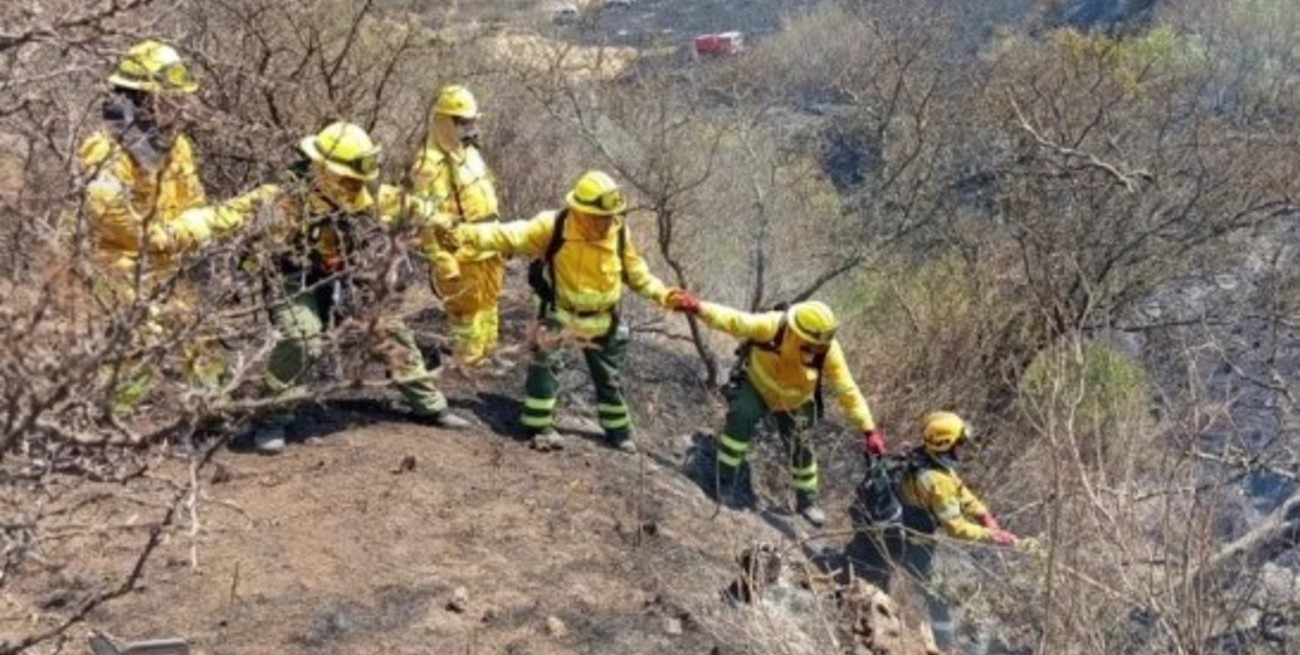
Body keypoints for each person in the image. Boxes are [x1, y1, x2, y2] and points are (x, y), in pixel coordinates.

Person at [246, 121, 471, 453]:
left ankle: (430, 406)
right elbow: (219, 218)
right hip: (294, 280)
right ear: (320, 168)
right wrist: (171, 232)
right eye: (346, 177)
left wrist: (451, 225)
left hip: (345, 277)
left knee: (387, 327)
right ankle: (271, 418)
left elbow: (415, 207)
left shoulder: (373, 198)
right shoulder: (282, 200)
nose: (353, 185)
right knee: (302, 336)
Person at [78, 40, 277, 407]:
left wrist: (244, 209)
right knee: (141, 340)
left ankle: (216, 408)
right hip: (119, 266)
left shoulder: (177, 145)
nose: (181, 105)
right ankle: (107, 424)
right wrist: (169, 235)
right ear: (141, 99)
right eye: (170, 97)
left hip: (166, 263)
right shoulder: (105, 148)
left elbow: (192, 205)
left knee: (196, 334)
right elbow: (108, 215)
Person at [437, 170, 684, 453]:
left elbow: (638, 275)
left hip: (602, 319)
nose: (607, 222)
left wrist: (664, 294)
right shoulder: (554, 226)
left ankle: (619, 431)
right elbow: (506, 235)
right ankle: (538, 425)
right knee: (545, 366)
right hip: (560, 313)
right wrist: (462, 234)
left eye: (611, 215)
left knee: (609, 378)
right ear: (581, 210)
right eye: (600, 217)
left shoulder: (619, 234)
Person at [667, 295, 885, 527]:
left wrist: (868, 429)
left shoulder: (829, 351)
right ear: (797, 332)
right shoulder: (772, 326)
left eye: (823, 344)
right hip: (757, 387)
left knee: (801, 445)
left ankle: (807, 502)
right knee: (741, 419)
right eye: (813, 343)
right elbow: (734, 320)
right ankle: (726, 481)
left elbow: (847, 389)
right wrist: (699, 307)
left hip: (794, 402)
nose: (819, 349)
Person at [847, 411, 1019, 653]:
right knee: (936, 594)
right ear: (946, 444)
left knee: (873, 567)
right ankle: (944, 643)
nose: (964, 448)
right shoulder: (937, 481)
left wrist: (983, 515)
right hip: (913, 541)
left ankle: (861, 576)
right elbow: (957, 528)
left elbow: (960, 490)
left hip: (894, 528)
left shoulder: (926, 458)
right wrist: (992, 536)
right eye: (960, 443)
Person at [408, 85, 505, 370]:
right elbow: (425, 217)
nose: (469, 127)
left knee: (489, 302)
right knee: (466, 312)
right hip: (461, 250)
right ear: (444, 121)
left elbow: (487, 194)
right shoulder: (429, 165)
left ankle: (486, 356)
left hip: (489, 243)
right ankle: (469, 363)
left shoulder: (469, 153)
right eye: (462, 121)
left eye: (471, 121)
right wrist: (441, 259)